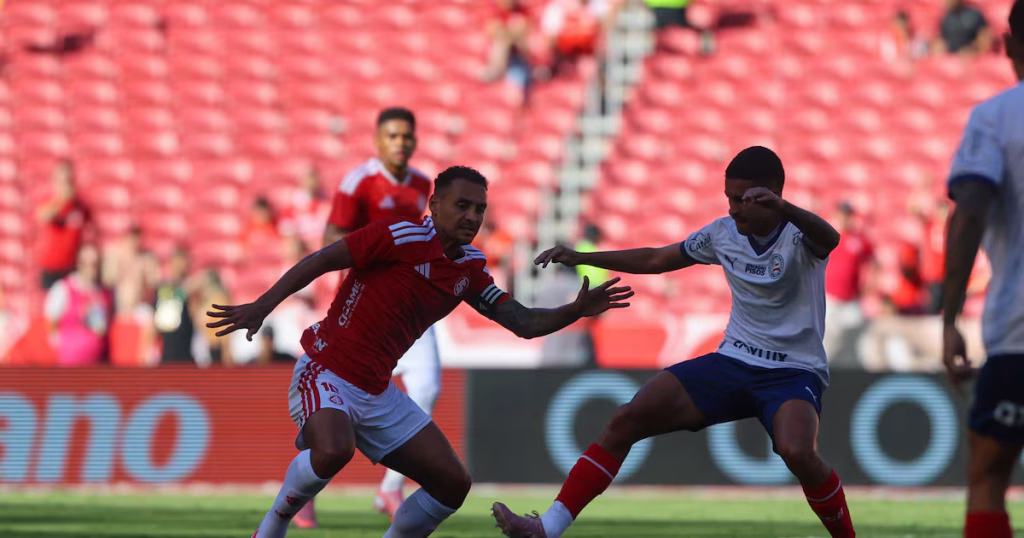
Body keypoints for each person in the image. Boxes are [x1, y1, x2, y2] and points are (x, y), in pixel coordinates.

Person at [207, 166, 631, 538]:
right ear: (434, 203)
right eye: (462, 205)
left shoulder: (469, 267)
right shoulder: (399, 235)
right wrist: (263, 305)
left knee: (452, 485)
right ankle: (275, 523)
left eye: (480, 209)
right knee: (334, 450)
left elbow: (521, 322)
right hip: (326, 368)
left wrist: (574, 311)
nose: (472, 216)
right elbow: (322, 259)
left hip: (376, 391)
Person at [492, 146, 856, 538]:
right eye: (728, 198)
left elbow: (830, 238)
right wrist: (584, 257)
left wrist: (785, 209)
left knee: (797, 451)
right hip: (732, 361)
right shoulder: (722, 234)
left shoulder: (801, 236)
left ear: (769, 196)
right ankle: (547, 527)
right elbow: (655, 259)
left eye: (741, 200)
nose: (733, 209)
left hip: (791, 370)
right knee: (625, 420)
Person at [300, 106, 436, 525]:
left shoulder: (421, 183)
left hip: (409, 303)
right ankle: (304, 487)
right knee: (337, 397)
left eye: (406, 136)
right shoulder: (358, 182)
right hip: (363, 303)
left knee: (428, 385)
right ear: (378, 141)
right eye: (392, 136)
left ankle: (390, 488)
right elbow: (330, 238)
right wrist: (379, 250)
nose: (400, 143)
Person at [941, 3, 1024, 537]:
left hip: (1020, 330)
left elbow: (969, 211)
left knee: (990, 469)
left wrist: (948, 317)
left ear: (1014, 43)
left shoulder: (998, 117)